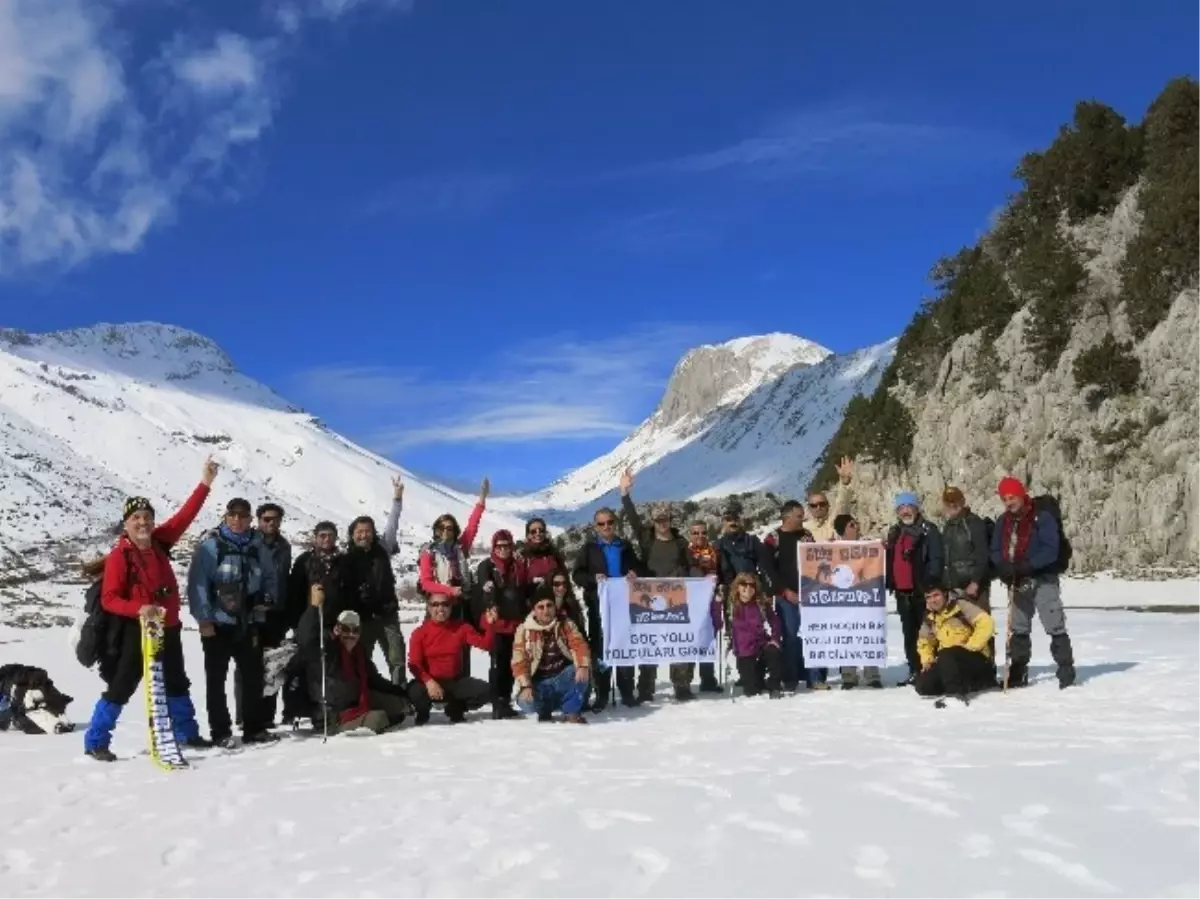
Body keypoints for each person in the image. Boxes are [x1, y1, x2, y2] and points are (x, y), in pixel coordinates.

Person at [83, 457, 219, 762]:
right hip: (137, 630)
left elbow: (185, 517)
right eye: (136, 518)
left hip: (168, 627)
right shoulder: (121, 556)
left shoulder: (159, 542)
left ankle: (186, 733)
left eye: (147, 517)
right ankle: (96, 740)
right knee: (123, 684)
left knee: (176, 680)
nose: (142, 523)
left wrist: (205, 484)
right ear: (126, 523)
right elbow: (110, 599)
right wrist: (140, 608)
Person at [186, 496, 281, 748]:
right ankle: (221, 732)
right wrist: (204, 619)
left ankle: (254, 728)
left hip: (249, 621)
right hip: (218, 622)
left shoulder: (258, 545)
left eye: (243, 516)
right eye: (233, 515)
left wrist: (268, 598)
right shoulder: (210, 546)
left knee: (252, 677)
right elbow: (197, 585)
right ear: (226, 516)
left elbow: (270, 576)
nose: (238, 520)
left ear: (251, 519)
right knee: (216, 680)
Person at [989, 477, 1076, 689]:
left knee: (1054, 624)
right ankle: (1018, 673)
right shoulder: (1004, 521)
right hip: (1017, 581)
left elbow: (1050, 550)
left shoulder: (1042, 517)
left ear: (1022, 494)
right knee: (1018, 627)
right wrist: (1003, 568)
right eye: (1005, 498)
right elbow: (995, 550)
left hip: (1043, 578)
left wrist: (1027, 565)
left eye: (1012, 497)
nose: (1009, 502)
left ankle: (1066, 671)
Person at [619, 469, 693, 701]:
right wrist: (624, 494)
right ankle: (646, 688)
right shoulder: (647, 539)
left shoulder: (681, 543)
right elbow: (632, 519)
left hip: (675, 598)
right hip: (648, 599)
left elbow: (689, 567)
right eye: (658, 520)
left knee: (678, 643)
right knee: (649, 644)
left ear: (671, 520)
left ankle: (681, 685)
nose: (662, 523)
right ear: (654, 521)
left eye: (666, 519)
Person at [297, 593, 410, 735]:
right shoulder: (326, 649)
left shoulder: (358, 653)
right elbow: (306, 638)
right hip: (333, 716)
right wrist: (314, 608)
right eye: (346, 629)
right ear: (337, 629)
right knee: (379, 719)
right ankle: (360, 724)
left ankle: (373, 718)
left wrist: (401, 692)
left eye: (355, 630)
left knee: (400, 704)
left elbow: (374, 680)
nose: (351, 635)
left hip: (355, 700)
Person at [571, 504, 646, 711]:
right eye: (601, 523)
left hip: (624, 607)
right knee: (601, 651)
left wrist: (634, 572)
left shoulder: (624, 546)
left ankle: (627, 692)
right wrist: (593, 579)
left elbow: (638, 566)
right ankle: (602, 694)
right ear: (596, 527)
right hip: (598, 607)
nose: (606, 526)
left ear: (615, 523)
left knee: (624, 648)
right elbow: (577, 574)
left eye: (610, 522)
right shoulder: (589, 549)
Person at [418, 477, 489, 674]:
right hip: (438, 606)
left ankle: (462, 689)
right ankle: (432, 687)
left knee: (461, 647)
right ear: (435, 530)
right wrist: (449, 590)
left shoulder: (460, 548)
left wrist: (481, 500)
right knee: (433, 647)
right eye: (441, 528)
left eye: (449, 528)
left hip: (459, 607)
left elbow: (472, 526)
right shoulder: (428, 552)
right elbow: (426, 583)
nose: (445, 531)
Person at [235, 502, 292, 728]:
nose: (271, 523)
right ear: (258, 520)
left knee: (274, 666)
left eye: (275, 519)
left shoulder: (285, 546)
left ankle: (267, 716)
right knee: (247, 664)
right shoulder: (249, 542)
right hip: (252, 613)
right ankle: (244, 716)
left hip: (276, 615)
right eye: (266, 519)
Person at [342, 499, 405, 687]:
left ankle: (401, 699)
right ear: (352, 535)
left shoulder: (383, 549)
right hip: (363, 619)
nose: (364, 535)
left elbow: (393, 523)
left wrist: (397, 499)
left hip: (387, 615)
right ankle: (364, 698)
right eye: (359, 531)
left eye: (368, 531)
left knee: (397, 659)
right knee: (362, 660)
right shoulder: (346, 559)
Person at [407, 595, 498, 724]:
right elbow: (414, 663)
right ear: (428, 608)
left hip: (454, 682)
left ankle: (456, 707)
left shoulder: (461, 628)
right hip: (429, 682)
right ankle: (423, 712)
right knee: (414, 691)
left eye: (445, 604)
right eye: (435, 605)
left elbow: (486, 645)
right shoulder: (420, 633)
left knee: (487, 690)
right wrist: (429, 682)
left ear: (451, 608)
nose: (441, 608)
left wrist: (490, 625)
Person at [886, 492, 945, 686]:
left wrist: (931, 587)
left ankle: (932, 670)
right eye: (901, 508)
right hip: (902, 593)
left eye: (909, 506)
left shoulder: (929, 530)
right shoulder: (895, 532)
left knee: (928, 633)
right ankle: (914, 669)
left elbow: (936, 559)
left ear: (916, 508)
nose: (905, 511)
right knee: (909, 634)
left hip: (923, 592)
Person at [764, 500, 823, 691]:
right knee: (789, 636)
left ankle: (815, 677)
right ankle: (790, 678)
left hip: (808, 593)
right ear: (787, 517)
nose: (802, 519)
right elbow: (768, 569)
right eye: (799, 516)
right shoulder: (773, 538)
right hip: (785, 596)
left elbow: (815, 560)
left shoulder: (806, 535)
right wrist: (783, 591)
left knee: (812, 634)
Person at [512, 586, 592, 723]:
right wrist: (526, 686)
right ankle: (544, 709)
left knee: (582, 670)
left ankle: (571, 712)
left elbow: (579, 644)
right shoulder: (524, 629)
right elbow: (519, 661)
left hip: (561, 677)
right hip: (539, 683)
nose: (546, 610)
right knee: (525, 702)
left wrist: (583, 665)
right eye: (541, 607)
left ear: (555, 607)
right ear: (534, 611)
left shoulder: (565, 624)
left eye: (549, 605)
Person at [474, 529, 531, 719]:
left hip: (515, 622)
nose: (503, 549)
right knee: (497, 662)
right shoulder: (487, 566)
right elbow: (486, 586)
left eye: (507, 545)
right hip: (496, 621)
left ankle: (505, 699)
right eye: (499, 546)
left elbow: (523, 589)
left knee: (510, 662)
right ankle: (497, 701)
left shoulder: (518, 566)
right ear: (494, 547)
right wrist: (491, 603)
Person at [940, 487, 996, 673]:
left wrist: (976, 581)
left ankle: (987, 668)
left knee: (982, 626)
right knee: (960, 629)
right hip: (954, 587)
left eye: (955, 501)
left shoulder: (974, 523)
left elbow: (983, 555)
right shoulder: (948, 526)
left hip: (974, 586)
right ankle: (967, 670)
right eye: (948, 502)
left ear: (963, 501)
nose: (952, 505)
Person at [914, 585, 997, 701]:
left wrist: (972, 645)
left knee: (946, 653)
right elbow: (924, 641)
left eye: (936, 595)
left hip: (975, 656)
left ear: (945, 594)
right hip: (948, 661)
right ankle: (968, 684)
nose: (933, 600)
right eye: (928, 597)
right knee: (923, 686)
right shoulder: (929, 617)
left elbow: (986, 622)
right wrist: (927, 660)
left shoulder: (960, 606)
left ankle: (954, 694)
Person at [832, 514, 883, 689]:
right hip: (843, 598)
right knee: (846, 635)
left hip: (865, 596)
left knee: (868, 633)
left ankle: (872, 674)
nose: (856, 526)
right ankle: (848, 675)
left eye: (856, 523)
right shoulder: (833, 548)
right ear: (843, 530)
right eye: (852, 524)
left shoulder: (867, 544)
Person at [723, 573, 784, 698]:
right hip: (743, 650)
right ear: (737, 586)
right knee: (751, 691)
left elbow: (775, 621)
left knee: (774, 652)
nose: (748, 588)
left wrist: (775, 638)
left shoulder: (760, 603)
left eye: (752, 585)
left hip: (760, 644)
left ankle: (775, 686)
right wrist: (717, 603)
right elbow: (717, 621)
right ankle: (757, 678)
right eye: (744, 584)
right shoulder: (730, 605)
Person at [686, 520, 723, 693]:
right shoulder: (685, 553)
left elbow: (723, 573)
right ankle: (684, 681)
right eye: (695, 533)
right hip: (691, 603)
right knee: (690, 640)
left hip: (712, 601)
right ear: (690, 535)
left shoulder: (715, 551)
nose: (700, 536)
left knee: (709, 639)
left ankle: (708, 679)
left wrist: (721, 586)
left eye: (703, 532)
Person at [803, 458, 855, 541]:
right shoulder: (804, 529)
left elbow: (842, 502)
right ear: (809, 508)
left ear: (828, 505)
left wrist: (845, 483)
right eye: (813, 506)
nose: (818, 508)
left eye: (822, 504)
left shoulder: (835, 522)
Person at [519, 517, 566, 587]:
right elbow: (519, 581)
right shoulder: (523, 556)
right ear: (528, 535)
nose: (538, 534)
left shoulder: (553, 553)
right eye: (533, 531)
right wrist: (532, 581)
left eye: (541, 530)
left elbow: (564, 575)